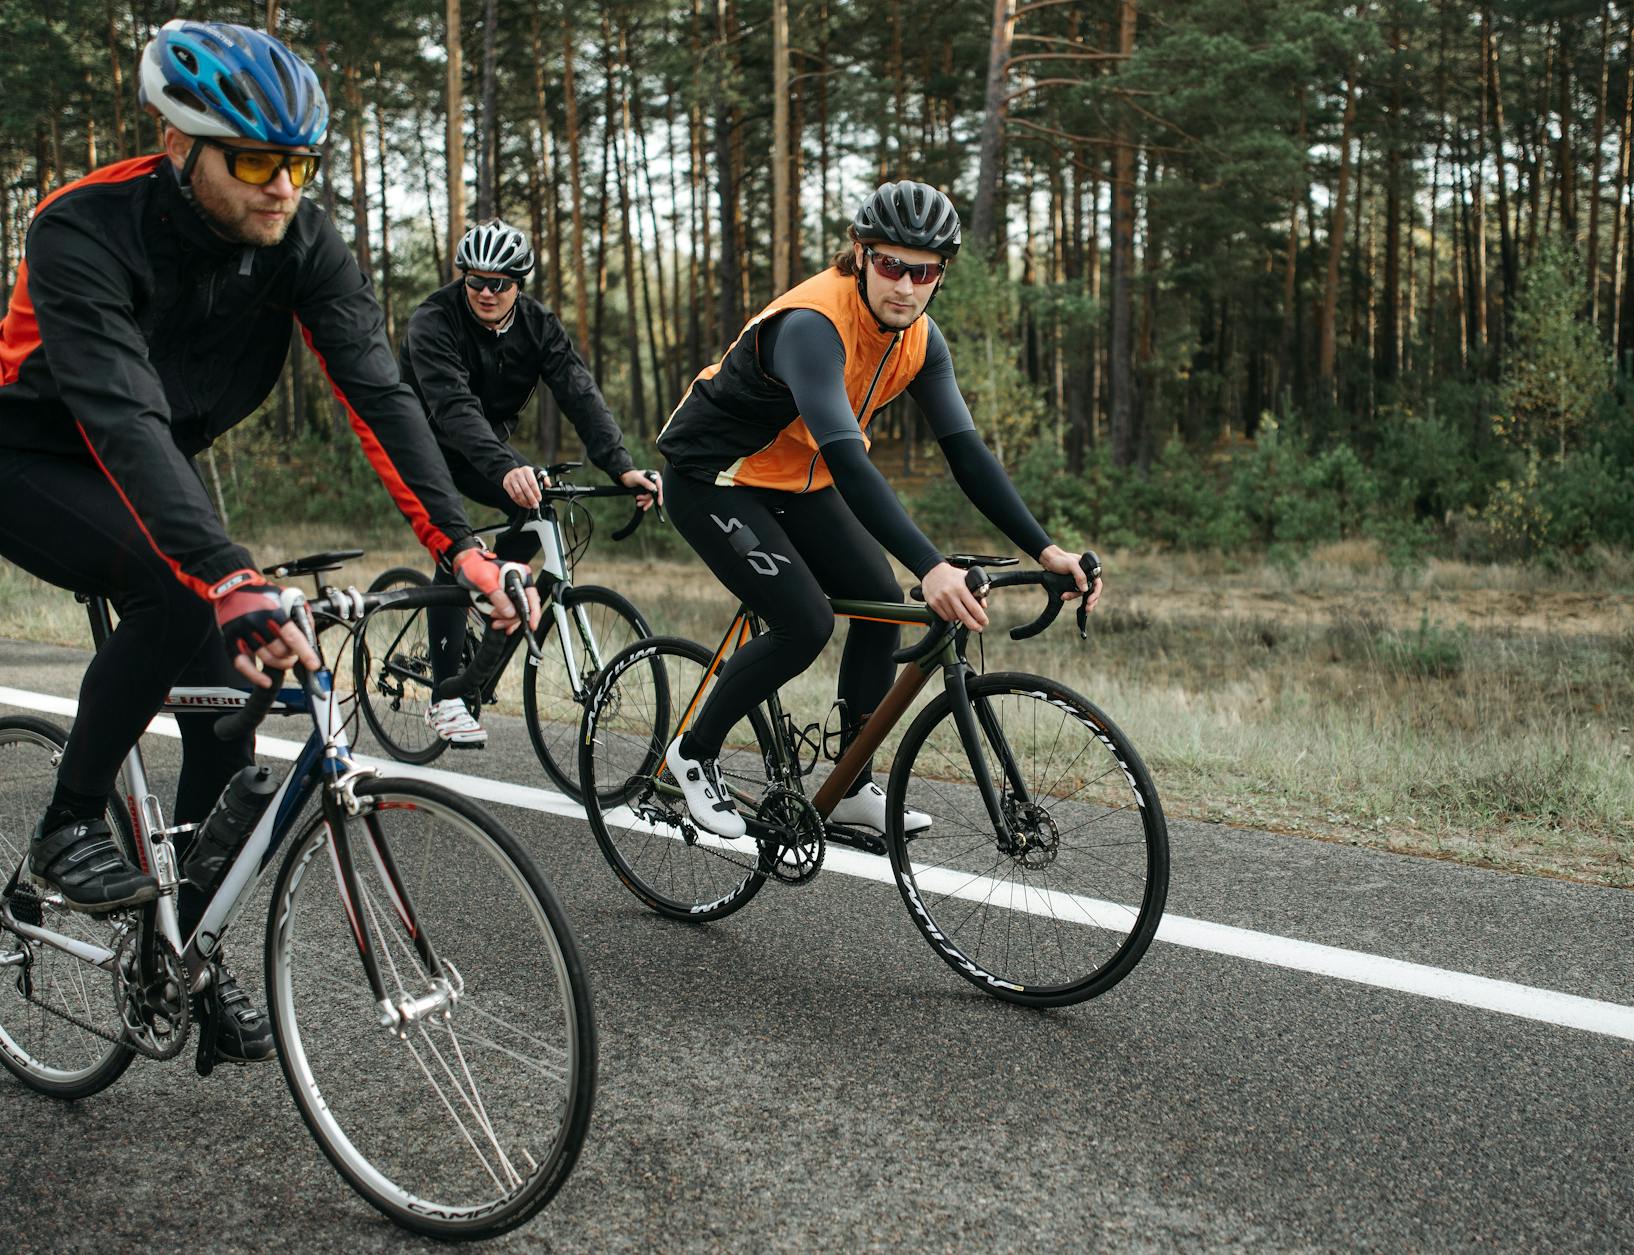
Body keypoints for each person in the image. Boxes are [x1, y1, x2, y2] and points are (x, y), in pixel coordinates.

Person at [0, 20, 534, 1064]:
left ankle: (185, 952)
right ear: (177, 142)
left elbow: (379, 395)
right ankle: (68, 822)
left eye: (299, 163)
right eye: (253, 161)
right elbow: (121, 415)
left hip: (156, 465)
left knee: (237, 695)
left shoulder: (301, 242)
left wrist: (464, 551)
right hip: (35, 455)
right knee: (177, 590)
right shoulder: (81, 228)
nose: (282, 186)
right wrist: (226, 573)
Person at [655, 180, 1099, 839]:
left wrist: (1046, 549)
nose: (906, 287)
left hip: (795, 480)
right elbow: (847, 459)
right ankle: (693, 754)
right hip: (713, 478)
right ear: (860, 255)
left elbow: (966, 452)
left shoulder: (921, 339)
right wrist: (931, 564)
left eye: (925, 272)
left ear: (940, 274)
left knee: (879, 603)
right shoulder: (813, 325)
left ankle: (850, 782)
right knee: (804, 621)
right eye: (891, 264)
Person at [398, 220, 662, 746]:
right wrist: (505, 467)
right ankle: (446, 697)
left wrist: (621, 465)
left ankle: (492, 587)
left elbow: (579, 392)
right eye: (475, 281)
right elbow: (454, 407)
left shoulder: (538, 324)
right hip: (423, 442)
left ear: (518, 283)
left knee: (537, 503)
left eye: (499, 283)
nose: (486, 292)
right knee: (455, 541)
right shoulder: (434, 320)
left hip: (482, 447)